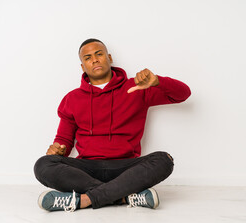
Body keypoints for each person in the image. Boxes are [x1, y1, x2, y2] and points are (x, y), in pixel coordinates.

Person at [34, 38, 191, 212]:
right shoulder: (72, 99)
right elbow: (64, 139)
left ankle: (83, 200)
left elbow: (183, 94)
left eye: (99, 54)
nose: (94, 59)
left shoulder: (137, 88)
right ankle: (125, 196)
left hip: (126, 167)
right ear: (82, 66)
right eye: (87, 58)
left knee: (164, 160)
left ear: (109, 58)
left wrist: (158, 81)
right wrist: (58, 149)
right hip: (87, 169)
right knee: (43, 165)